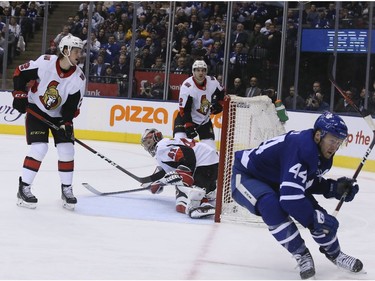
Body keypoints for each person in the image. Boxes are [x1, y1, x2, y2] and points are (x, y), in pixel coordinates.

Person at [230, 112, 363, 279]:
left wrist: (332, 188)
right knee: (272, 206)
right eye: (332, 140)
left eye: (338, 142)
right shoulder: (302, 148)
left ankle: (336, 254)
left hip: (277, 180)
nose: (334, 146)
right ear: (318, 135)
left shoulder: (320, 154)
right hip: (247, 176)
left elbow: (302, 182)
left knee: (317, 217)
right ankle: (302, 254)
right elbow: (290, 200)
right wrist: (316, 219)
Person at [12, 35, 86, 210]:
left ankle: (66, 189)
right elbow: (20, 73)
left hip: (59, 116)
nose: (79, 55)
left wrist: (67, 123)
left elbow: (71, 106)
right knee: (39, 148)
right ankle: (24, 188)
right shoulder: (45, 63)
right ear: (66, 51)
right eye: (76, 51)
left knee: (67, 150)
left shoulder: (79, 78)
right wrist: (20, 95)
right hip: (36, 109)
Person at [141, 129, 219, 219]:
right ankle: (208, 192)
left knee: (181, 192)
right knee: (181, 180)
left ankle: (199, 204)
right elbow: (165, 171)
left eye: (147, 143)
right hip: (210, 163)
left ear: (153, 140)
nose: (146, 146)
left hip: (205, 165)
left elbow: (187, 153)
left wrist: (185, 174)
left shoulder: (161, 148)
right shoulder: (166, 144)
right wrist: (154, 183)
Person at [173, 60, 225, 150]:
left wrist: (219, 104)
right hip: (185, 120)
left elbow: (221, 91)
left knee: (211, 151)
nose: (201, 73)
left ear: (206, 71)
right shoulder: (187, 87)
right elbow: (184, 110)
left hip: (204, 121)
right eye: (198, 70)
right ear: (193, 71)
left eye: (203, 70)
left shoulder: (213, 81)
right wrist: (188, 126)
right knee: (180, 148)